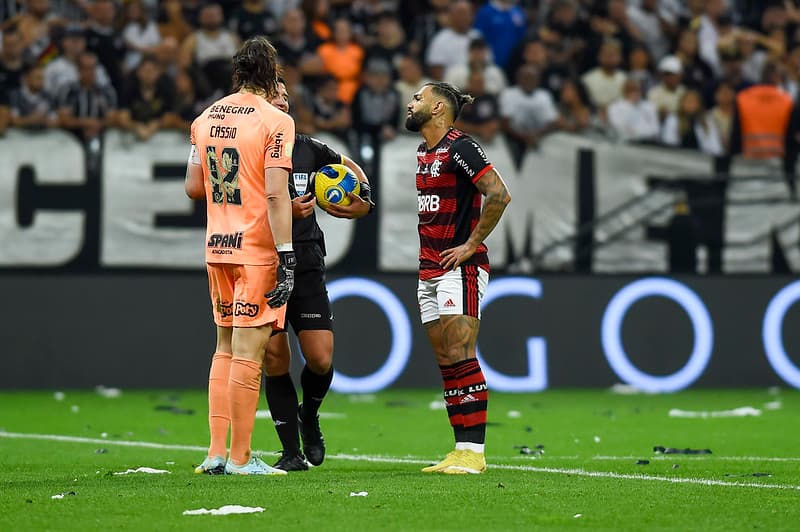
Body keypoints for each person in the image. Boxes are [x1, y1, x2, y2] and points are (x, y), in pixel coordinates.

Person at [184, 35, 296, 476]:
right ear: (271, 74)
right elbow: (275, 193)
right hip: (256, 249)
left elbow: (193, 187)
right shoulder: (276, 121)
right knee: (250, 353)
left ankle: (216, 453)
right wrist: (286, 254)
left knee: (225, 347)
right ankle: (242, 458)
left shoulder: (204, 118)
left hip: (218, 247)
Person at [262, 78, 375, 472]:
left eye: (285, 96)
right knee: (275, 357)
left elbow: (349, 166)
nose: (282, 101)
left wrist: (364, 199)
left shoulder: (308, 148)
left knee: (321, 358)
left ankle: (308, 415)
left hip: (306, 261)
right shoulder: (248, 150)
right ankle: (289, 452)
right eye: (273, 95)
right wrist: (283, 211)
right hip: (263, 261)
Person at [405, 81, 511, 474]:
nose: (410, 103)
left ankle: (474, 452)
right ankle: (459, 448)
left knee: (461, 353)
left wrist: (470, 245)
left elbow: (499, 194)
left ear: (438, 108)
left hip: (459, 268)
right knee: (446, 360)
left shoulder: (461, 147)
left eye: (418, 98)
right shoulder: (423, 151)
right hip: (429, 269)